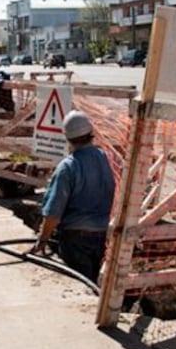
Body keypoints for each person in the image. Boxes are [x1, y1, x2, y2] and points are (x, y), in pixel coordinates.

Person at [30, 110, 116, 283]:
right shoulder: (104, 158)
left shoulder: (68, 167)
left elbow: (54, 211)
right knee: (93, 280)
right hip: (102, 235)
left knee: (80, 283)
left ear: (67, 137)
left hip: (76, 238)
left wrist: (42, 240)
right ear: (90, 133)